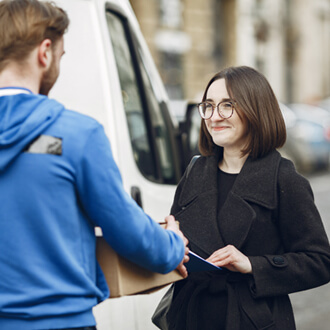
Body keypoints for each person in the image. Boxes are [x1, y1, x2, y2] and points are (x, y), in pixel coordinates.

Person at [0, 1, 188, 329]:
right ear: (44, 52)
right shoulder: (77, 134)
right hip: (59, 322)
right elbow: (129, 232)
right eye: (61, 56)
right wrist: (172, 245)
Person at [161, 66, 330, 329]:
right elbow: (179, 237)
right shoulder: (195, 170)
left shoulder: (283, 179)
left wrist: (253, 265)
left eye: (227, 105)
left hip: (251, 319)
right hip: (191, 316)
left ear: (256, 109)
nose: (214, 116)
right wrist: (171, 242)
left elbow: (320, 261)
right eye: (208, 106)